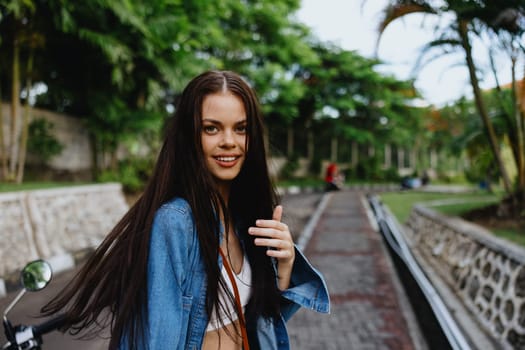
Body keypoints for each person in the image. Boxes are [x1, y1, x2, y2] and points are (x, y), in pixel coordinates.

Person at [41, 70, 330, 349]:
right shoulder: (177, 222)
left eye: (240, 128)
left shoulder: (245, 220)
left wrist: (285, 265)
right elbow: (161, 339)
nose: (229, 141)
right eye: (212, 128)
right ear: (190, 136)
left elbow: (264, 322)